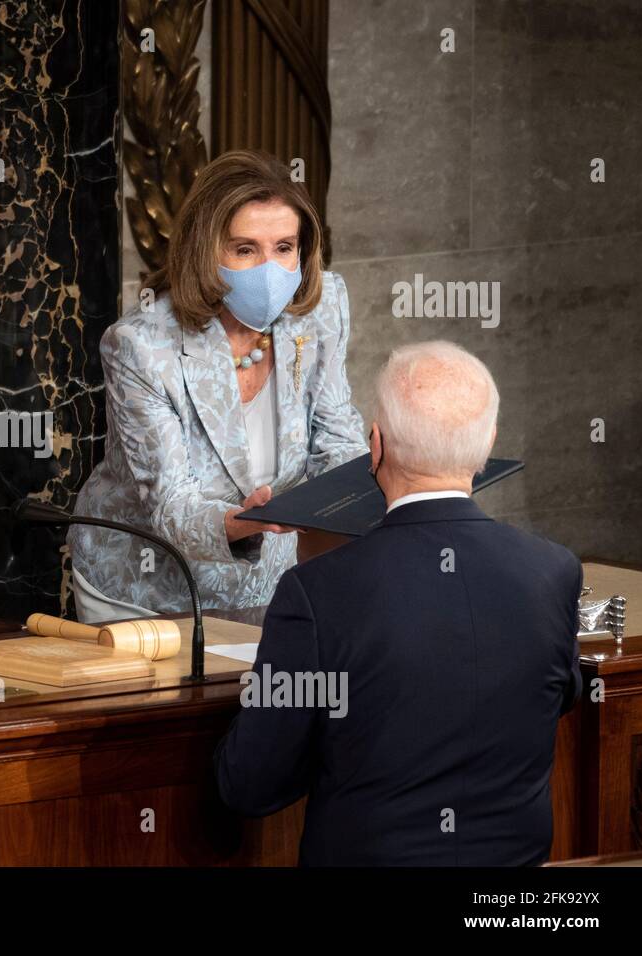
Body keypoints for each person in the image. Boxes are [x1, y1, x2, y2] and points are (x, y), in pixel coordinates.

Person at [214, 341, 584, 865]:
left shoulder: (317, 592)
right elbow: (554, 696)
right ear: (487, 446)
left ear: (377, 446)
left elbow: (250, 785)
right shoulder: (555, 570)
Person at [69, 150, 368, 622]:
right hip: (148, 590)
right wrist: (243, 520)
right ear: (204, 249)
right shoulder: (141, 346)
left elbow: (334, 435)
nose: (270, 270)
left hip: (268, 580)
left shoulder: (321, 307)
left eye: (284, 247)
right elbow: (171, 506)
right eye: (245, 249)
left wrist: (386, 483)